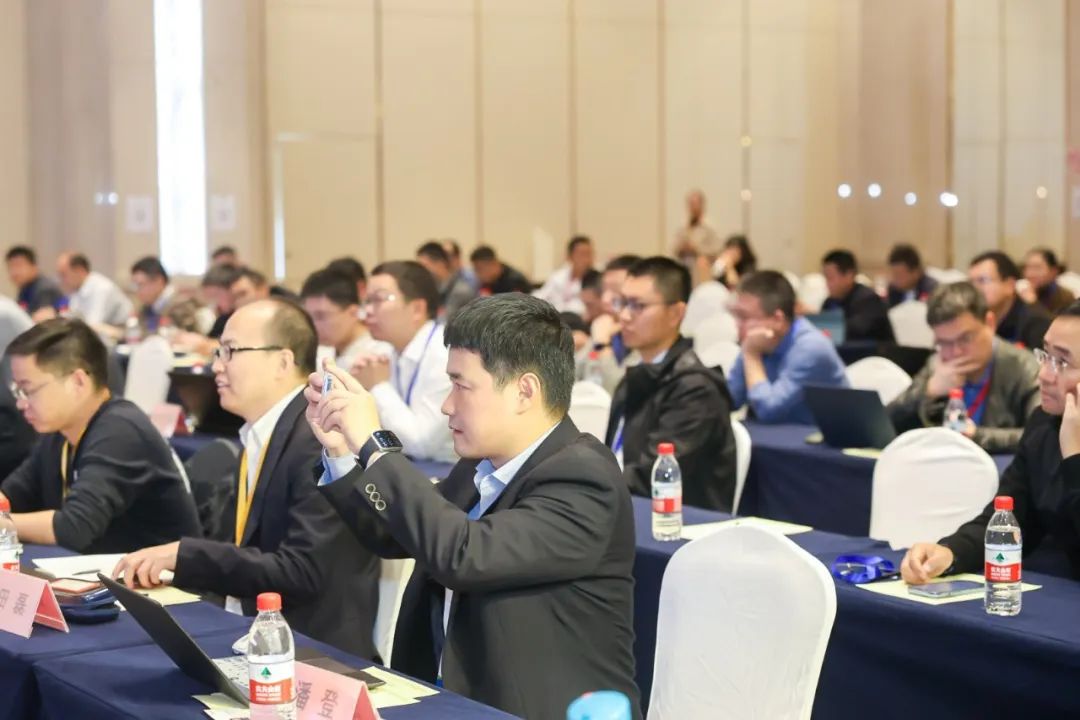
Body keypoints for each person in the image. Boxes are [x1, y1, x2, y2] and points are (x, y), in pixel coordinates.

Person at [308, 293, 641, 719]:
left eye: (461, 386)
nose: (447, 405)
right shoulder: (481, 463)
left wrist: (376, 445)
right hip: (451, 696)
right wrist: (340, 451)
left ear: (524, 391)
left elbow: (464, 555)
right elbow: (398, 533)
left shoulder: (583, 478)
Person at [112, 300, 379, 659]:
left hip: (311, 654)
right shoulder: (261, 432)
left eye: (231, 351)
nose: (216, 365)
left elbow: (302, 572)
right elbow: (244, 549)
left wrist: (186, 556)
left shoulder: (319, 439)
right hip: (248, 632)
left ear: (283, 362)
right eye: (218, 352)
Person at [901, 300, 1080, 584]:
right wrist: (950, 552)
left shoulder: (1067, 434)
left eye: (1063, 362)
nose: (1043, 374)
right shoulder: (1045, 424)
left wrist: (1074, 457)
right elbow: (1011, 519)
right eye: (1046, 355)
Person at [0, 319, 200, 552]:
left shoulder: (121, 432)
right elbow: (13, 495)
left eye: (28, 390)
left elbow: (75, 527)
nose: (21, 403)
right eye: (17, 391)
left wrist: (5, 525)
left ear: (78, 382)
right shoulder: (60, 433)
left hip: (164, 574)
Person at [605, 257, 736, 511]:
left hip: (676, 522)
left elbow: (652, 477)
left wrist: (587, 484)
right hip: (626, 507)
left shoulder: (695, 390)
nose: (624, 316)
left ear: (676, 313)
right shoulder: (635, 376)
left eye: (638, 306)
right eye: (622, 303)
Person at [887, 282, 1039, 454]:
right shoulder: (938, 363)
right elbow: (886, 425)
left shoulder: (1025, 367)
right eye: (944, 342)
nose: (955, 352)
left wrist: (976, 436)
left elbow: (1040, 436)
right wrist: (928, 391)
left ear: (990, 323)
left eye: (965, 338)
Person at [350, 261, 455, 462]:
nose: (367, 311)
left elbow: (422, 445)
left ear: (417, 309)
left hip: (445, 469)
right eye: (367, 301)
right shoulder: (385, 349)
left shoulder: (445, 354)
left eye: (378, 300)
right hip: (410, 465)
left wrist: (378, 386)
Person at [728, 270, 849, 424]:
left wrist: (752, 357)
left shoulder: (811, 348)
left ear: (777, 320)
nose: (737, 325)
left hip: (823, 436)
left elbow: (767, 410)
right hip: (781, 435)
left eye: (744, 317)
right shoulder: (757, 342)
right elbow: (730, 400)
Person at [301, 268, 389, 369]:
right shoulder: (322, 353)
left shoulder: (379, 355)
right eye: (309, 317)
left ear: (353, 312)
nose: (314, 325)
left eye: (321, 316)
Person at [969, 250, 1051, 350]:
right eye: (971, 282)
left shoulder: (1036, 322)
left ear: (1010, 285)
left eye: (983, 280)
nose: (975, 288)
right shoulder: (973, 319)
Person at [821, 249, 895, 343]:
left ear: (849, 275)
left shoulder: (869, 300)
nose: (827, 284)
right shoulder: (829, 302)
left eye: (830, 278)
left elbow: (858, 330)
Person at [55, 252, 133, 328]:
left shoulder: (101, 288)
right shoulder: (77, 290)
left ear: (79, 270)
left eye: (63, 275)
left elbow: (93, 326)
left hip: (123, 332)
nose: (61, 280)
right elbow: (72, 319)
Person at [130, 256, 202, 333]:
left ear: (159, 281)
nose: (137, 291)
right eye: (135, 286)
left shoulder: (181, 305)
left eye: (140, 285)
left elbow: (187, 336)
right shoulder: (147, 307)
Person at [416, 241, 477, 321]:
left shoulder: (461, 291)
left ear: (440, 263)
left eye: (425, 266)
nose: (421, 271)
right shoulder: (437, 287)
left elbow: (444, 322)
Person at [533, 235, 596, 314]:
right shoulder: (558, 276)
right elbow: (542, 295)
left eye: (589, 254)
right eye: (582, 254)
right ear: (570, 256)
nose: (587, 259)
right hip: (555, 315)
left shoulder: (596, 279)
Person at [671, 189, 722, 273]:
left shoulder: (710, 227)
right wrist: (682, 247)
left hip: (703, 269)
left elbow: (717, 249)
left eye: (695, 204)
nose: (693, 207)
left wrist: (696, 249)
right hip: (684, 267)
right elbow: (672, 249)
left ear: (702, 205)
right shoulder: (682, 227)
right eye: (691, 204)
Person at [6, 246, 63, 320]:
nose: (14, 272)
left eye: (19, 266)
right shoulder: (25, 289)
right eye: (10, 267)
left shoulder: (45, 289)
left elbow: (42, 320)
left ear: (34, 267)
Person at [1022, 248, 1075, 315]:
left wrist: (1033, 304)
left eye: (1037, 268)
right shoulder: (1021, 293)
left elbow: (1054, 321)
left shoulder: (1065, 297)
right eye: (1027, 267)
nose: (1029, 274)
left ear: (1053, 271)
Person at [885, 243, 938, 308]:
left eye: (899, 275)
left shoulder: (931, 290)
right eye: (893, 274)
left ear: (915, 272)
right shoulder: (893, 291)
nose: (894, 279)